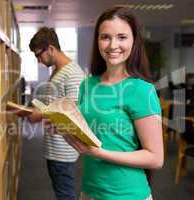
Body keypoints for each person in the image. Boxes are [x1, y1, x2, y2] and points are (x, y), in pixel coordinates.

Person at [63, 6, 163, 200]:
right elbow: (91, 136)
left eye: (122, 37)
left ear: (134, 41)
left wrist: (98, 152)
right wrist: (65, 128)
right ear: (97, 41)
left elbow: (155, 158)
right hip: (90, 191)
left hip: (128, 194)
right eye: (105, 37)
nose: (112, 45)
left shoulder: (142, 90)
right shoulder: (87, 85)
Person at [21, 27, 85, 200]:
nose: (38, 60)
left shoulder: (72, 73)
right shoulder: (57, 71)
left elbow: (73, 110)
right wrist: (37, 109)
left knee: (65, 195)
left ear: (50, 48)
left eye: (38, 55)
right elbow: (56, 104)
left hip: (64, 149)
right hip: (54, 147)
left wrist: (40, 114)